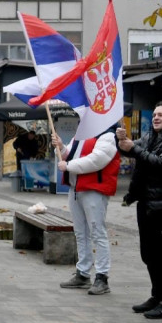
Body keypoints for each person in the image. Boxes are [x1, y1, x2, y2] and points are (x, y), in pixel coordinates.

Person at [118, 102, 162, 319]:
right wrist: (121, 140)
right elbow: (131, 151)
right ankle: (156, 295)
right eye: (155, 114)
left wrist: (134, 148)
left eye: (161, 115)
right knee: (149, 253)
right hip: (146, 202)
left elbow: (161, 163)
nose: (156, 118)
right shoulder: (150, 136)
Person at [53, 126, 120, 295]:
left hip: (94, 190)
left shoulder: (107, 136)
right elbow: (71, 153)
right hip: (77, 188)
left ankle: (102, 277)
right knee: (80, 233)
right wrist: (61, 147)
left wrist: (68, 165)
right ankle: (83, 273)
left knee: (97, 232)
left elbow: (96, 160)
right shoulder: (84, 133)